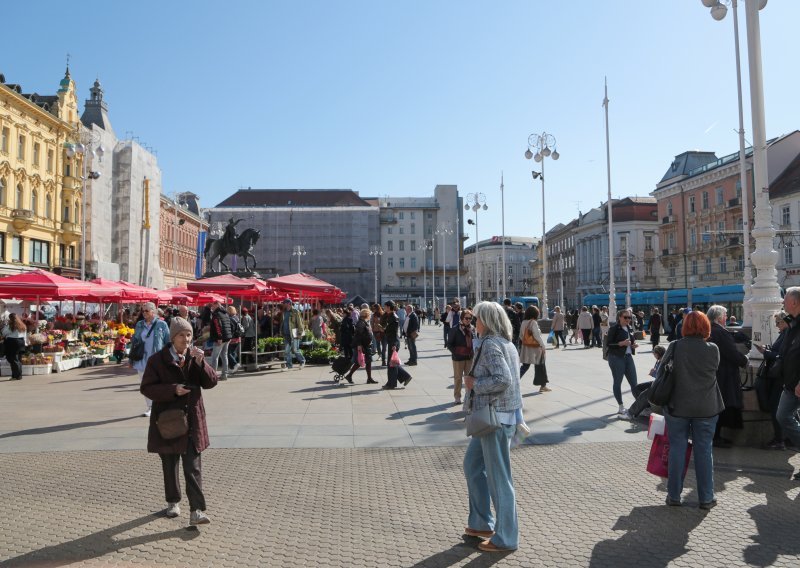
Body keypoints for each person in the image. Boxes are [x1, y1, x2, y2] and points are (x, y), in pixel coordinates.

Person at [140, 317, 218, 526]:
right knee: (170, 464)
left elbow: (211, 382)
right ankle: (173, 502)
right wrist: (172, 389)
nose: (186, 339)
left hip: (192, 420)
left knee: (193, 467)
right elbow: (146, 388)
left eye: (189, 334)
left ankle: (197, 510)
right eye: (182, 335)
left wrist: (202, 363)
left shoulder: (195, 357)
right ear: (173, 337)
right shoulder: (157, 360)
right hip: (168, 422)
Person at [462, 301, 522, 552]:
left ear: (485, 321)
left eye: (476, 319)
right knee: (472, 466)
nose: (474, 323)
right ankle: (481, 522)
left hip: (494, 419)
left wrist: (474, 384)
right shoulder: (506, 343)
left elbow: (503, 379)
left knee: (499, 479)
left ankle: (506, 537)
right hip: (497, 417)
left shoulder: (490, 344)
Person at [660, 311, 724, 509]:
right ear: (706, 327)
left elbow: (662, 371)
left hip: (678, 406)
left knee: (677, 448)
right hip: (706, 407)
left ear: (684, 327)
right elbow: (714, 370)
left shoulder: (676, 346)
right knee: (704, 450)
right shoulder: (713, 349)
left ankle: (674, 496)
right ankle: (706, 498)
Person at [706, 305, 748, 448]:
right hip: (724, 375)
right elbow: (731, 352)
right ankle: (716, 437)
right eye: (724, 315)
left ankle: (714, 436)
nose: (726, 318)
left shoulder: (708, 330)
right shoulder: (720, 332)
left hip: (713, 374)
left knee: (715, 406)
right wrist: (744, 360)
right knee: (721, 405)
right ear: (718, 317)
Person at [774, 288, 800, 479]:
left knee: (784, 416)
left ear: (795, 302)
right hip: (790, 383)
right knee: (783, 416)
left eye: (785, 300)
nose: (783, 302)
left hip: (798, 383)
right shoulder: (792, 323)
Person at [756, 311, 790, 450]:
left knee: (777, 408)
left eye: (778, 322)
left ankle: (780, 440)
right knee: (784, 409)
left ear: (785, 322)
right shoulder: (784, 334)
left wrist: (765, 352)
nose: (776, 326)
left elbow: (781, 356)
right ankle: (786, 437)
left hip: (780, 378)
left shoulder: (788, 334)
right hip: (779, 377)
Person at [131, 302, 171, 416]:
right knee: (145, 384)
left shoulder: (162, 324)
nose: (144, 313)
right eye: (142, 311)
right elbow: (135, 342)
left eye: (146, 311)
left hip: (156, 359)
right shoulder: (139, 324)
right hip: (141, 359)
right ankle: (150, 407)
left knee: (158, 383)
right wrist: (131, 360)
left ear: (153, 311)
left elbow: (168, 342)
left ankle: (160, 405)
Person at [606, 308, 639, 419]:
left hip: (628, 357)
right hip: (616, 357)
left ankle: (640, 406)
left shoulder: (629, 328)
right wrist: (621, 343)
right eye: (625, 317)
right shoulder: (614, 328)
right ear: (620, 317)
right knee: (618, 382)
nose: (628, 319)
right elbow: (609, 344)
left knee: (634, 383)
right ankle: (621, 406)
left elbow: (631, 341)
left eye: (629, 317)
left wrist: (633, 345)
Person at [519, 305, 550, 392]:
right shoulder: (533, 322)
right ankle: (543, 386)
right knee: (540, 365)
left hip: (526, 348)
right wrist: (543, 346)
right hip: (536, 348)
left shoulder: (523, 322)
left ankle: (515, 381)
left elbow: (521, 336)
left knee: (525, 366)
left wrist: (527, 342)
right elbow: (537, 336)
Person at [447, 309, 475, 405]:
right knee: (458, 378)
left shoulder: (472, 329)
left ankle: (468, 396)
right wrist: (455, 352)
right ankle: (457, 397)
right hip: (458, 358)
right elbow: (449, 344)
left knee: (469, 378)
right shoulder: (455, 329)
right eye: (466, 318)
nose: (468, 320)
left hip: (469, 357)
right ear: (462, 318)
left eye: (470, 318)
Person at [344, 308, 377, 385]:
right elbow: (358, 335)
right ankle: (349, 375)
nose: (370, 316)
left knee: (368, 361)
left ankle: (369, 378)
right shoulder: (361, 323)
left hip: (366, 345)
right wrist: (359, 345)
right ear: (366, 315)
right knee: (359, 362)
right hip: (362, 345)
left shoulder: (364, 322)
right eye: (369, 314)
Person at [208, 301, 233, 380]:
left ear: (216, 305)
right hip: (227, 337)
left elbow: (218, 326)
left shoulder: (216, 314)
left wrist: (219, 337)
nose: (212, 307)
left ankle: (213, 375)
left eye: (213, 305)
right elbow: (229, 324)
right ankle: (224, 374)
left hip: (220, 338)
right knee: (224, 355)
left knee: (215, 357)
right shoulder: (225, 313)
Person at [280, 298, 306, 370]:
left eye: (285, 303)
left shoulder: (295, 311)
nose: (284, 304)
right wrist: (281, 331)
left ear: (289, 304)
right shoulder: (284, 312)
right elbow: (283, 323)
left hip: (294, 333)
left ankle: (302, 361)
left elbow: (300, 323)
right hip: (286, 334)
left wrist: (300, 333)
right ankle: (289, 365)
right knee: (287, 350)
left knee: (295, 349)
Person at [2, 313, 27, 381]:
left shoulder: (11, 325)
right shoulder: (22, 325)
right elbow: (25, 335)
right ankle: (17, 375)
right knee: (18, 359)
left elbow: (4, 333)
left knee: (12, 359)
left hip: (12, 342)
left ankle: (16, 376)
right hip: (21, 342)